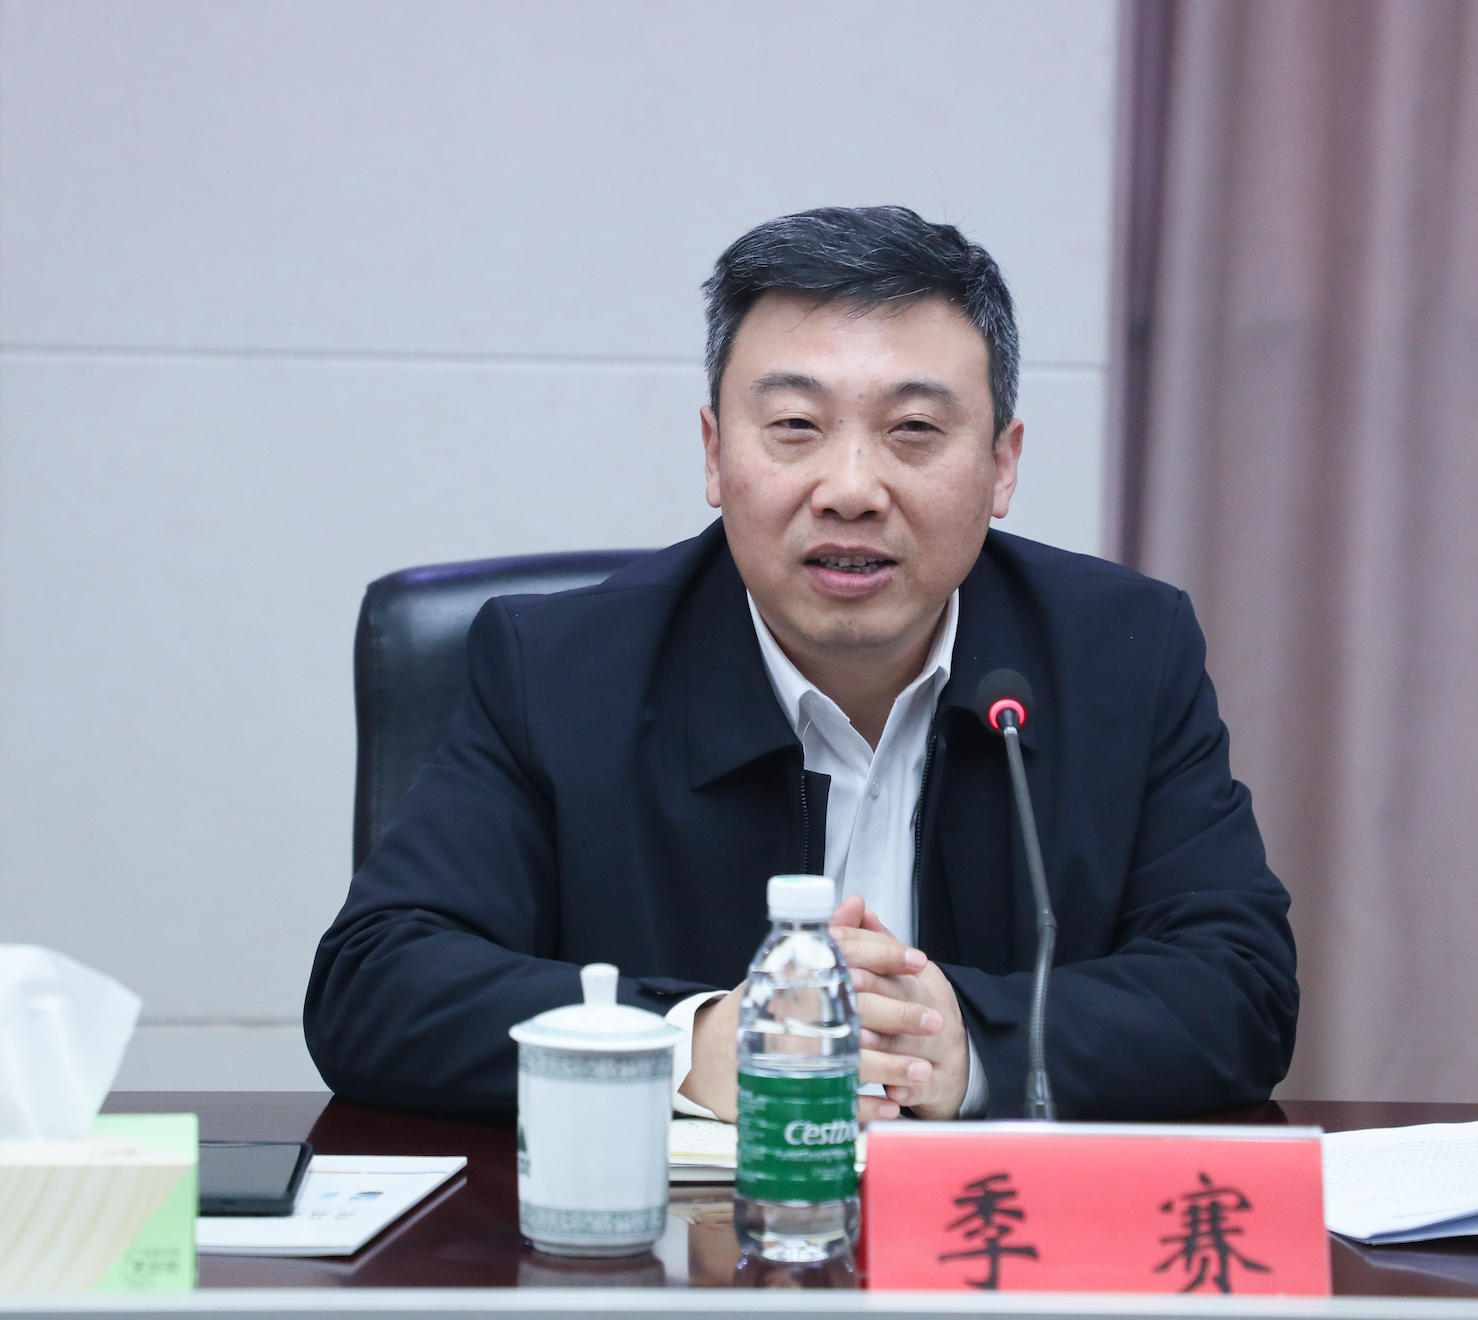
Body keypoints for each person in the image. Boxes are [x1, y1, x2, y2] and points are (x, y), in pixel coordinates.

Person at [305, 206, 1296, 1124]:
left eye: (913, 430)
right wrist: (689, 1045)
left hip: (989, 1245)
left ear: (1001, 464)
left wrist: (968, 1043)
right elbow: (376, 983)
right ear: (713, 453)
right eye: (795, 427)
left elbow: (1238, 987)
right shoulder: (558, 670)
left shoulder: (1121, 653)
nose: (850, 488)